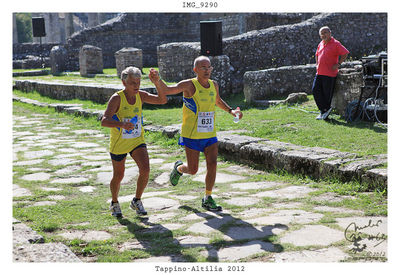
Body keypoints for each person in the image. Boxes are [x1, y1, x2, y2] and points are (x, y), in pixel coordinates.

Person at [149, 56, 243, 211]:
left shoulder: (214, 85)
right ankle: (179, 168)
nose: (207, 70)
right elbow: (168, 90)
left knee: (212, 164)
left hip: (209, 135)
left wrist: (231, 111)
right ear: (195, 70)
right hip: (191, 135)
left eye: (209, 67)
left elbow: (217, 100)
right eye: (203, 68)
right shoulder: (188, 85)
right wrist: (157, 80)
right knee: (193, 170)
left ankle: (207, 197)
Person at [101, 66, 167, 217]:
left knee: (145, 169)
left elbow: (162, 100)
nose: (136, 86)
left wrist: (157, 82)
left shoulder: (141, 95)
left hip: (137, 140)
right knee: (119, 175)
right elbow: (104, 121)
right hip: (119, 142)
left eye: (138, 82)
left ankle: (137, 200)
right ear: (124, 83)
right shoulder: (117, 98)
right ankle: (114, 202)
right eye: (132, 83)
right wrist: (122, 125)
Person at [312, 26, 349, 120]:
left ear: (330, 33)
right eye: (322, 33)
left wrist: (338, 64)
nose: (323, 35)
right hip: (319, 72)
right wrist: (317, 64)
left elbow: (345, 53)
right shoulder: (320, 43)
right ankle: (325, 110)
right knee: (315, 90)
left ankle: (324, 111)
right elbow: (317, 55)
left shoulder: (336, 43)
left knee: (326, 94)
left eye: (325, 32)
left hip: (329, 74)